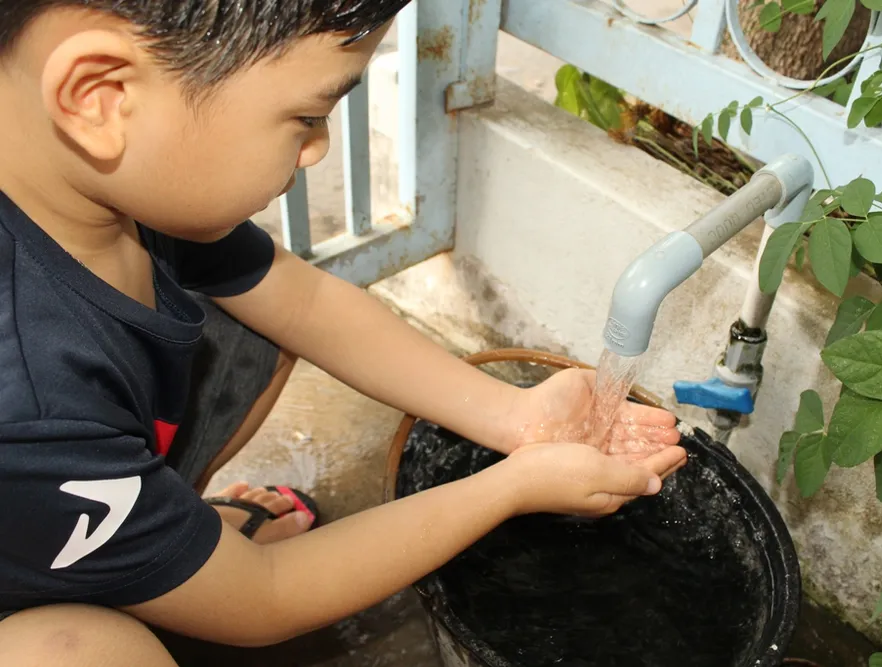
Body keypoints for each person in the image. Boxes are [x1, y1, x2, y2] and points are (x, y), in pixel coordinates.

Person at [0, 1, 689, 664]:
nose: (317, 149)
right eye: (307, 117)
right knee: (83, 653)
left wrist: (515, 416)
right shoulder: (29, 406)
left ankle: (155, 534)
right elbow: (264, 597)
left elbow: (302, 302)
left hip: (58, 484)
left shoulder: (90, 184)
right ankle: (147, 564)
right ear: (100, 96)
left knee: (252, 320)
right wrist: (512, 486)